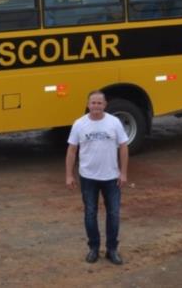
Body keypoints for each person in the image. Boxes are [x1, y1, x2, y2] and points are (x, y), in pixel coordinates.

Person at [65, 90, 129, 265]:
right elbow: (72, 150)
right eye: (93, 103)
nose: (96, 106)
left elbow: (123, 147)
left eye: (99, 103)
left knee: (113, 214)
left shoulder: (114, 122)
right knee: (90, 213)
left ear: (105, 105)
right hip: (88, 177)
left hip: (111, 177)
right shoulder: (79, 124)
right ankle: (93, 248)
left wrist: (123, 173)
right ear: (88, 104)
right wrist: (69, 175)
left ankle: (112, 249)